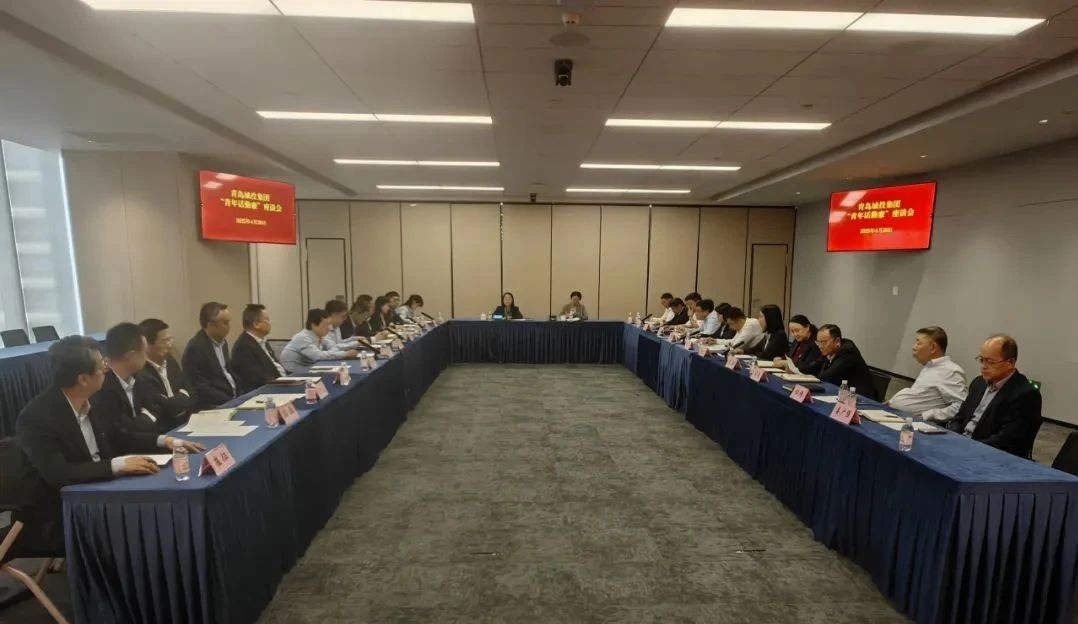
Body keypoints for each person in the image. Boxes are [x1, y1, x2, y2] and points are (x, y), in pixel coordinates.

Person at [13, 336, 204, 556]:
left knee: (165, 508)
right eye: (101, 364)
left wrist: (165, 441)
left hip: (99, 493)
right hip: (56, 514)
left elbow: (120, 436)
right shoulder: (37, 417)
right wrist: (117, 465)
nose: (106, 368)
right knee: (149, 524)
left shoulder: (91, 399)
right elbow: (58, 474)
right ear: (83, 379)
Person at [948, 335, 1042, 458]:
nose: (984, 366)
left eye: (990, 362)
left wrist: (967, 448)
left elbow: (1007, 439)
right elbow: (959, 418)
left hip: (990, 455)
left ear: (1010, 363)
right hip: (962, 444)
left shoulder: (1026, 395)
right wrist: (953, 438)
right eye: (981, 360)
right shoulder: (978, 382)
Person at [90, 322, 173, 435]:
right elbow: (124, 433)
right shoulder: (102, 389)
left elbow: (158, 410)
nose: (146, 357)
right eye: (144, 352)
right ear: (130, 355)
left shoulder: (142, 379)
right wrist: (144, 420)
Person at [887, 327, 968, 423]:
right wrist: (893, 402)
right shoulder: (930, 366)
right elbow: (920, 397)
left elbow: (961, 407)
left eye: (919, 343)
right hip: (897, 416)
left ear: (933, 347)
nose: (914, 347)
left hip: (917, 425)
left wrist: (927, 415)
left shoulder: (950, 371)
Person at [181, 301, 238, 410]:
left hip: (231, 399)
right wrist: (231, 401)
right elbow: (201, 388)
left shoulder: (223, 343)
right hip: (212, 405)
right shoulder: (195, 349)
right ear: (210, 325)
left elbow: (228, 373)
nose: (229, 326)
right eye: (225, 323)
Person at [138, 318, 193, 423]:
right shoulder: (141, 372)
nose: (170, 344)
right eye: (165, 341)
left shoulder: (170, 361)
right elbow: (163, 409)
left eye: (170, 339)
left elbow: (187, 388)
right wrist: (181, 398)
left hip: (185, 420)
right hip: (163, 427)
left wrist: (177, 400)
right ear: (147, 345)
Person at [800, 324, 875, 397]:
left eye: (823, 342)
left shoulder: (848, 352)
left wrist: (810, 378)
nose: (820, 346)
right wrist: (797, 371)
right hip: (840, 394)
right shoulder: (829, 351)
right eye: (818, 342)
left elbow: (827, 377)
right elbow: (813, 367)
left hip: (860, 398)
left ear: (837, 341)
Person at [281, 309, 360, 373]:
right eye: (326, 325)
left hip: (310, 367)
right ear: (314, 325)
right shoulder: (303, 338)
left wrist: (341, 352)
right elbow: (318, 356)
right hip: (294, 372)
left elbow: (334, 347)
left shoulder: (320, 335)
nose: (329, 328)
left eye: (329, 324)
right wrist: (344, 354)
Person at [230, 304, 287, 393]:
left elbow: (275, 366)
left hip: (280, 384)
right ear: (256, 324)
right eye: (267, 320)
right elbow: (256, 379)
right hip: (263, 391)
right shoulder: (243, 347)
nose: (270, 323)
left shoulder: (262, 341)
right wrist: (284, 382)